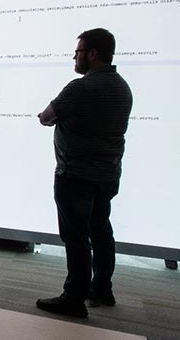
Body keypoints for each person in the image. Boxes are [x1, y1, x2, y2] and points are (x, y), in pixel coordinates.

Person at [36, 28, 132, 318]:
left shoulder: (80, 88)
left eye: (77, 52)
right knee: (101, 231)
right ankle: (102, 288)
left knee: (76, 237)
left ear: (92, 54)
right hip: (107, 174)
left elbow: (45, 117)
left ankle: (74, 298)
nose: (74, 58)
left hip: (75, 175)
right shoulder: (122, 87)